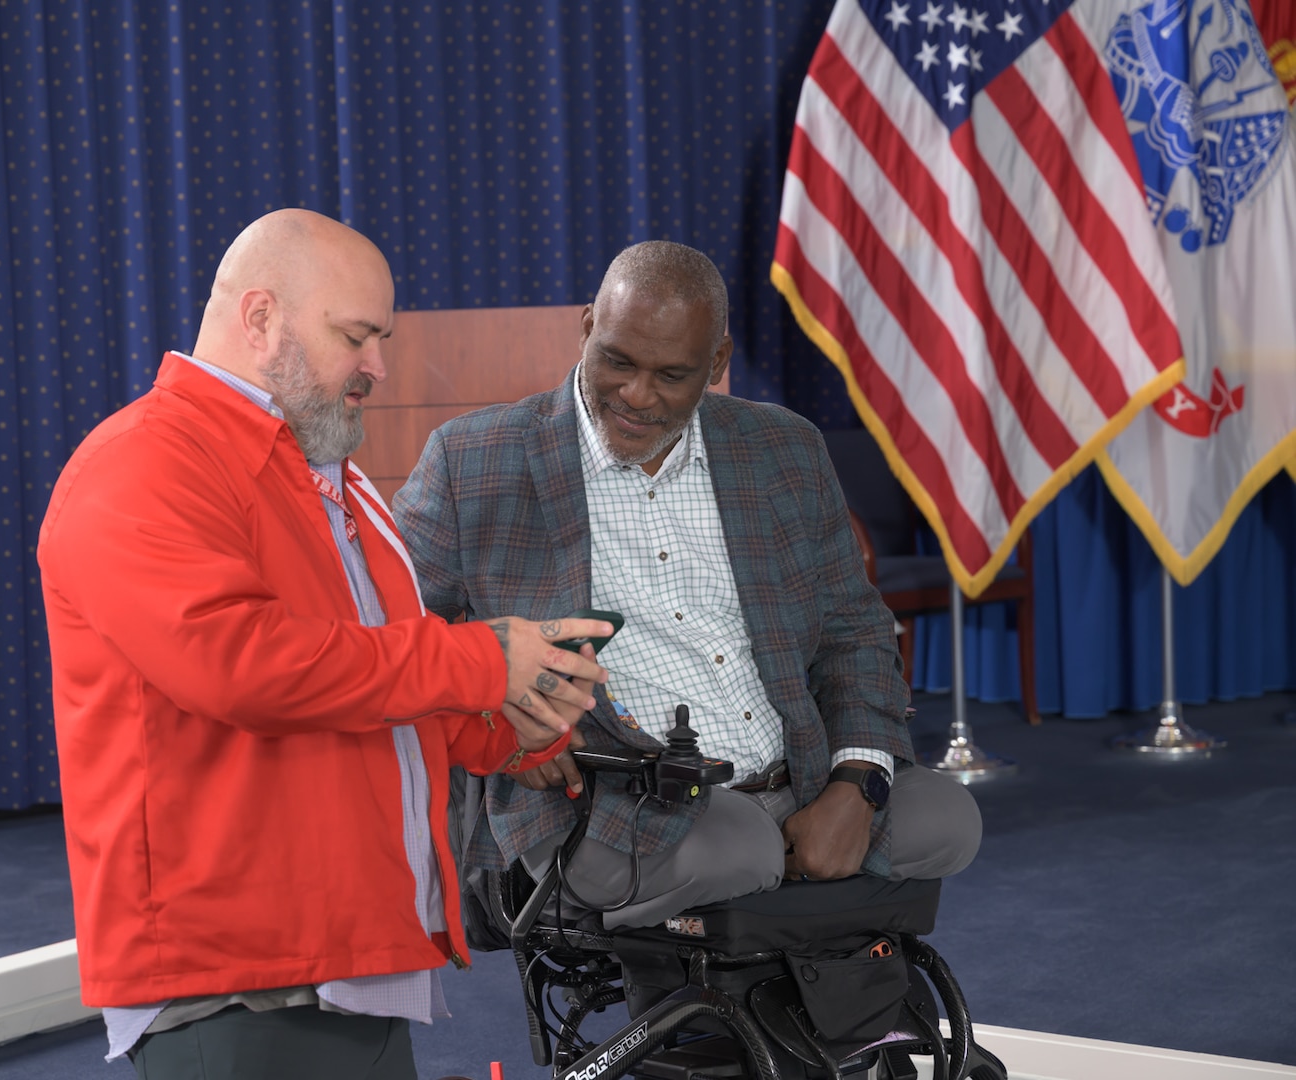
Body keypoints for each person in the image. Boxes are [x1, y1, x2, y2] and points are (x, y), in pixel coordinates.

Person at [37, 208, 614, 1080]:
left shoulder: (324, 477)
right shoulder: (140, 464)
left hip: (349, 953)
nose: (378, 364)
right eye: (357, 336)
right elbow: (245, 669)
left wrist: (513, 726)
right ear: (261, 318)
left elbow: (369, 685)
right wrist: (481, 660)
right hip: (234, 972)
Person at [392, 240, 981, 931]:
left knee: (949, 819)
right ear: (587, 328)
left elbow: (855, 629)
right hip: (615, 800)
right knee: (738, 846)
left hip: (802, 778)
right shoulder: (474, 459)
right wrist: (494, 717)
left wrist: (858, 782)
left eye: (671, 375)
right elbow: (395, 637)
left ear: (718, 365)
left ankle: (786, 888)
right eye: (616, 360)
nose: (637, 396)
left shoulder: (784, 447)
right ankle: (775, 889)